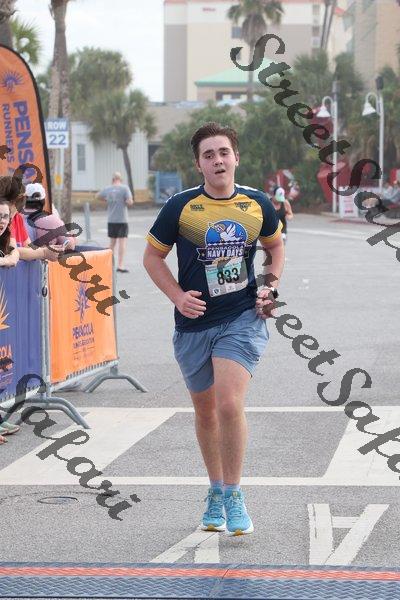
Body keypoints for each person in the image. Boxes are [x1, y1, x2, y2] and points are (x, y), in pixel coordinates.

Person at [143, 122, 285, 536]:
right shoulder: (181, 207)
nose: (218, 160)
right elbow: (152, 258)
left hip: (241, 318)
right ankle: (216, 490)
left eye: (223, 152)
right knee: (205, 412)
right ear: (199, 164)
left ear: (236, 157)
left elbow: (275, 247)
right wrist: (177, 296)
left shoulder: (257, 204)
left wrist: (269, 287)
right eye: (209, 155)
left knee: (228, 405)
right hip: (192, 323)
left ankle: (235, 494)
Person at [0, 176, 64, 261]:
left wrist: (45, 251)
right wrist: (44, 252)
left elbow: (28, 247)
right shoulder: (7, 221)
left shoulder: (17, 218)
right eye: (20, 202)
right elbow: (10, 250)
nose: (21, 207)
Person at [0, 197, 20, 444]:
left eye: (5, 216)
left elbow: (15, 254)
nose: (2, 221)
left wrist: (5, 259)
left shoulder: (6, 238)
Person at [97, 172, 133, 273]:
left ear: (112, 180)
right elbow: (130, 201)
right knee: (122, 242)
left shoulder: (108, 189)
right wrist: (126, 201)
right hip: (122, 219)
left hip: (111, 220)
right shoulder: (124, 188)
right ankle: (120, 265)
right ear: (120, 179)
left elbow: (97, 196)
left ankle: (108, 264)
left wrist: (106, 200)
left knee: (112, 243)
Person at [23, 182, 76, 250]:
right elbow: (70, 246)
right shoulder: (51, 220)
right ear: (44, 200)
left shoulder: (16, 217)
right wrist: (73, 238)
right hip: (40, 256)